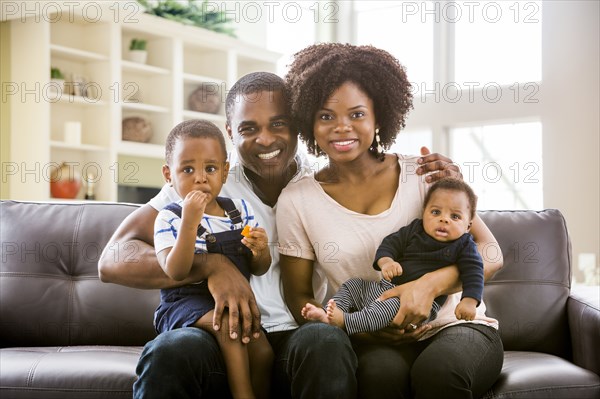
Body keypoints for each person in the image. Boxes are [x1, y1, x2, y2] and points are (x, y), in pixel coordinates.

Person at [98, 71, 463, 399]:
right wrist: (211, 266)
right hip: (218, 334)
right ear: (229, 132)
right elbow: (113, 259)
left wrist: (441, 181)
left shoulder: (321, 187)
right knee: (171, 350)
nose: (265, 139)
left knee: (325, 340)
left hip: (298, 332)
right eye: (248, 128)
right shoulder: (205, 181)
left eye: (279, 124)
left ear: (298, 126)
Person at [278, 43, 504, 398]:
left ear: (379, 116)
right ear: (308, 120)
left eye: (356, 114)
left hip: (454, 324)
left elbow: (491, 253)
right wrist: (362, 329)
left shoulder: (424, 173)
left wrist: (428, 286)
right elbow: (299, 296)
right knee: (379, 376)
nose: (341, 128)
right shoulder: (297, 200)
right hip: (375, 333)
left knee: (439, 373)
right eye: (325, 116)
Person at [152, 119, 272, 399]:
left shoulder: (239, 211)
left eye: (210, 168)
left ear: (225, 171)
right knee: (231, 327)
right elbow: (175, 270)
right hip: (183, 305)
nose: (200, 178)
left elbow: (259, 268)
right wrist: (189, 224)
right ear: (169, 174)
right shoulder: (169, 217)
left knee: (263, 351)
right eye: (188, 169)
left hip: (234, 301)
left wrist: (261, 250)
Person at [302, 177, 484, 335]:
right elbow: (390, 244)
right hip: (385, 289)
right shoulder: (415, 229)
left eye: (455, 216)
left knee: (385, 310)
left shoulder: (464, 244)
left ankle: (345, 322)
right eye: (436, 212)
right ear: (424, 212)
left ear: (468, 225)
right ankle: (330, 314)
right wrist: (386, 262)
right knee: (353, 285)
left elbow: (475, 272)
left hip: (417, 304)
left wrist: (469, 300)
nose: (444, 219)